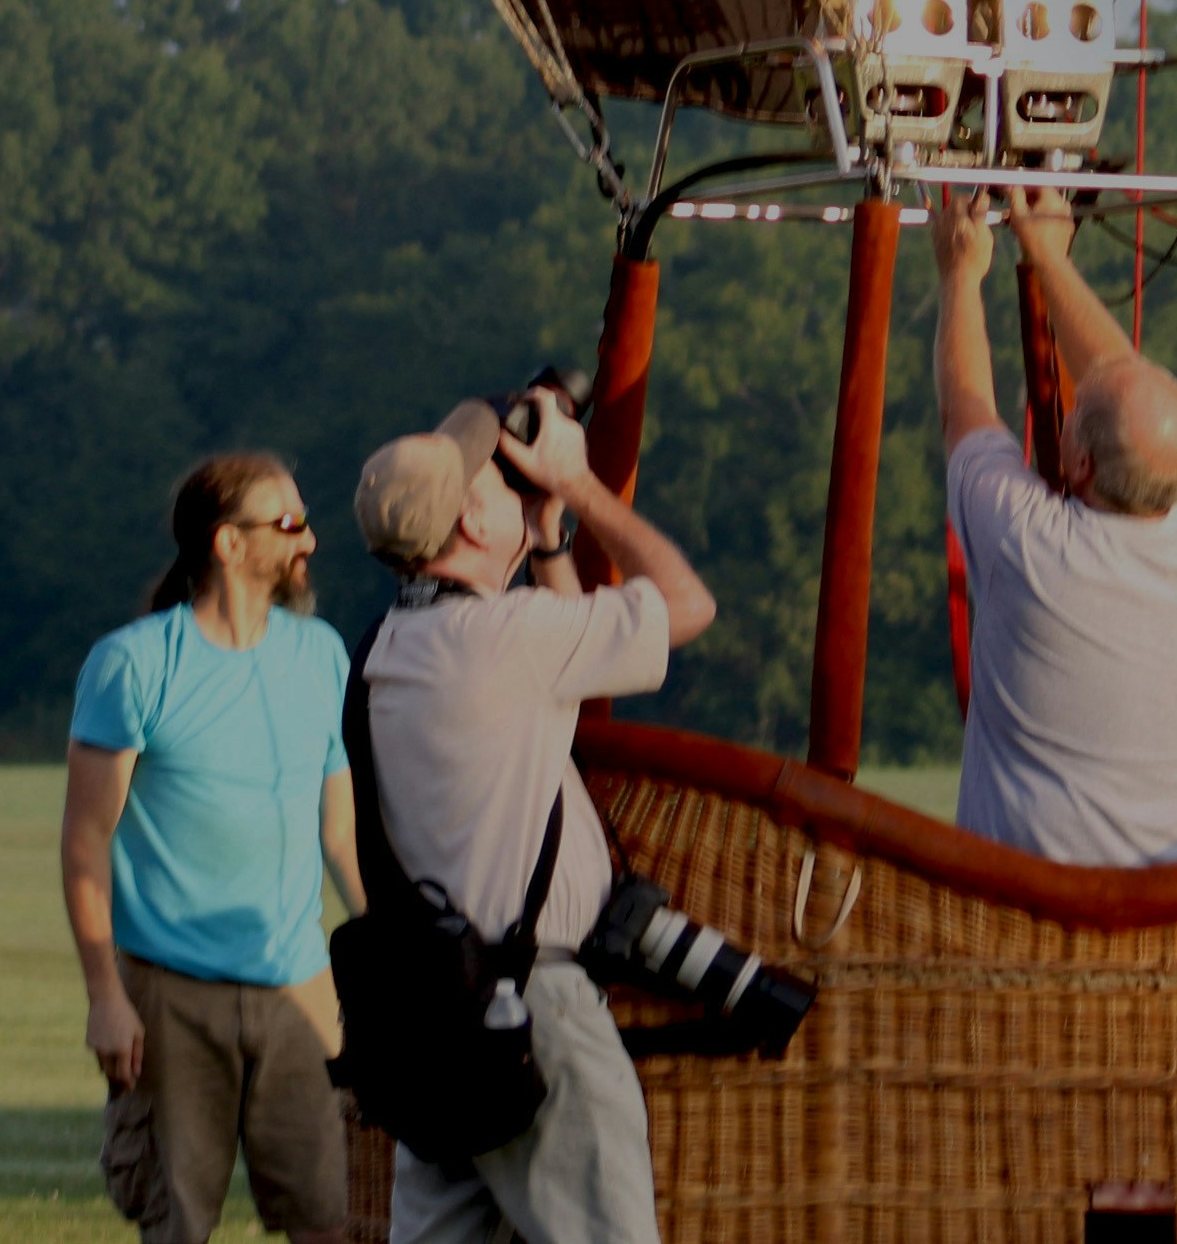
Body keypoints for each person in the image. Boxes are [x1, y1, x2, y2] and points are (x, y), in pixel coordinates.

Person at [349, 390, 717, 1244]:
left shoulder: (385, 652)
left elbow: (573, 673)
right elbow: (688, 604)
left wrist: (546, 536)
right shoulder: (508, 639)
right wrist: (579, 485)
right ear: (474, 527)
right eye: (500, 485)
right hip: (531, 1010)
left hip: (435, 1014)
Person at [64, 454, 366, 1244]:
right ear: (228, 544)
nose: (309, 540)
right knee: (176, 1225)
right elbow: (85, 841)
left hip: (302, 994)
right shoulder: (133, 665)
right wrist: (105, 995)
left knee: (334, 1220)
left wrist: (402, 947)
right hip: (170, 995)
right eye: (289, 523)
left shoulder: (323, 658)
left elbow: (343, 834)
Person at [930, 188, 1177, 866]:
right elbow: (1117, 377)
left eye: (1073, 419)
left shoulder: (1030, 547)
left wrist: (959, 273)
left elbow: (966, 410)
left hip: (1026, 920)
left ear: (1075, 461)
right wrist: (1047, 253)